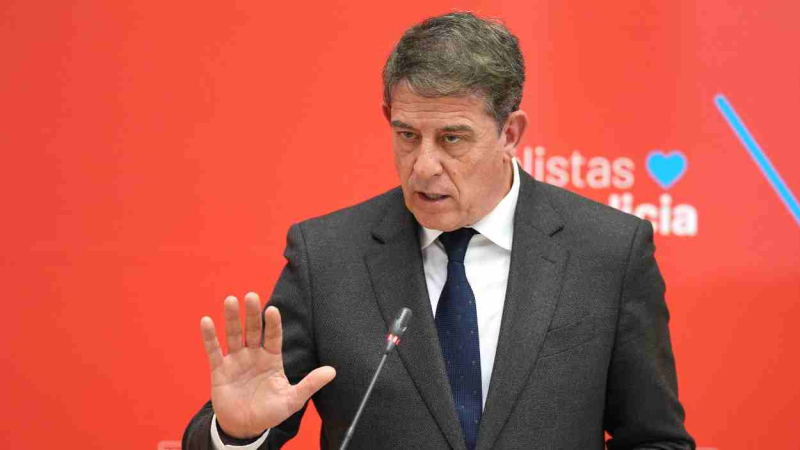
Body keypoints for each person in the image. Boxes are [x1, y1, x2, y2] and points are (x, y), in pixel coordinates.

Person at [182, 12, 695, 450]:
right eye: (407, 135)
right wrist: (237, 433)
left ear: (510, 133)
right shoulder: (327, 258)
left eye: (452, 138)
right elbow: (249, 415)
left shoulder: (609, 252)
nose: (424, 166)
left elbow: (656, 439)